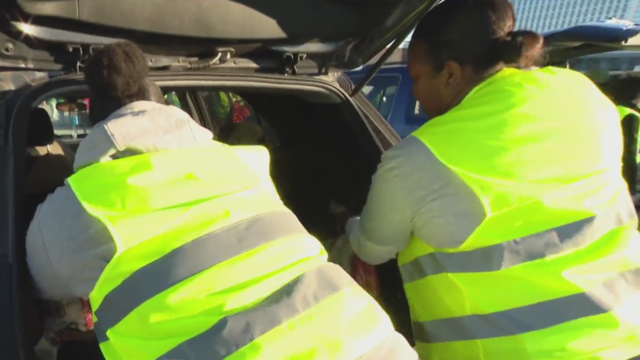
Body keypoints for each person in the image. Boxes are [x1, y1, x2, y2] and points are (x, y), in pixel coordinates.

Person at [26, 41, 416, 360]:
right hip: (365, 342)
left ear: (94, 118)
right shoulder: (245, 163)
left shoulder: (74, 207)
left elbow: (45, 285)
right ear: (166, 110)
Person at [341, 0, 640, 359]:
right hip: (625, 339)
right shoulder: (584, 95)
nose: (415, 93)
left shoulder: (419, 160)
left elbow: (372, 248)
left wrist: (348, 225)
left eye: (416, 77)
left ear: (450, 74)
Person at [599, 73, 640, 195]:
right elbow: (629, 153)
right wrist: (631, 189)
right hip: (629, 173)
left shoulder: (611, 109)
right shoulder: (630, 115)